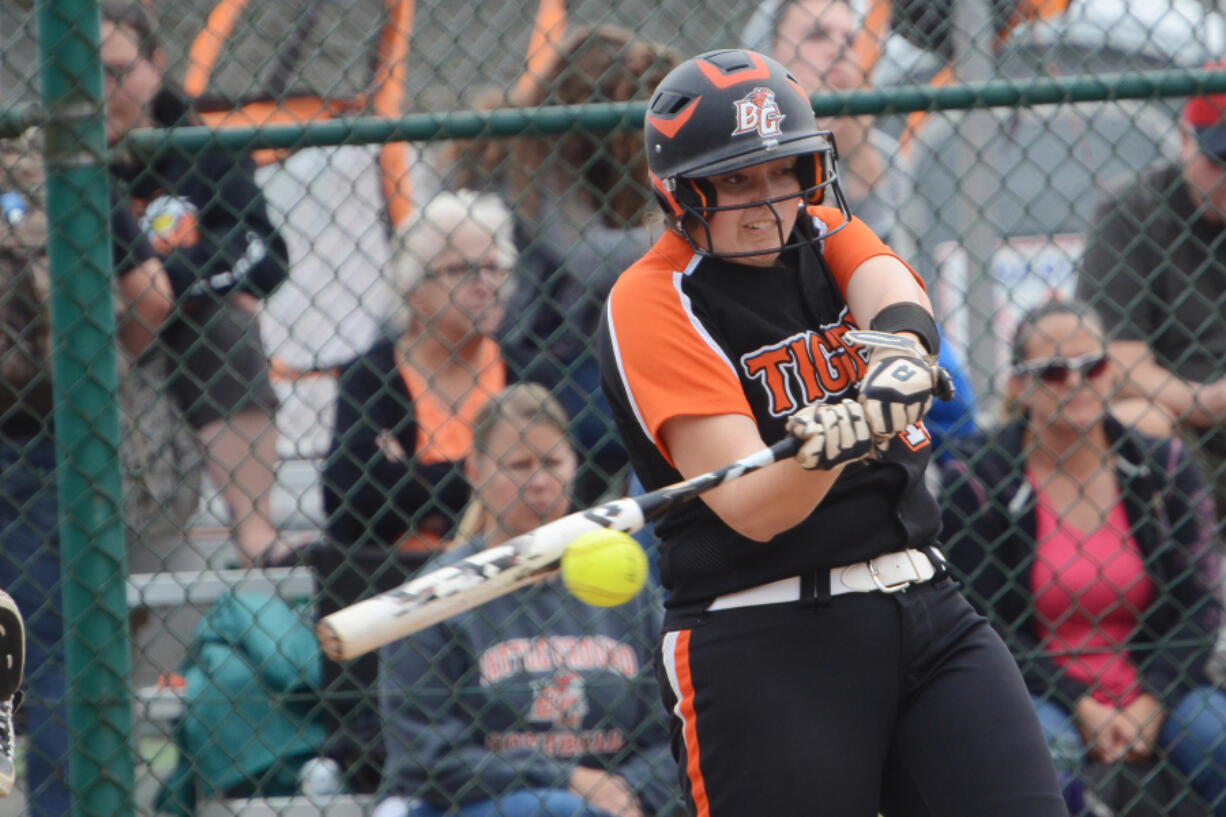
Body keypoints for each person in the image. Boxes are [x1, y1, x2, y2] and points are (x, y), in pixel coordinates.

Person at [597, 50, 1066, 816]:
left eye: (783, 170)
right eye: (736, 180)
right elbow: (756, 506)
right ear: (680, 193)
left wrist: (900, 370)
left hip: (926, 605)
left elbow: (895, 297)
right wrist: (835, 444)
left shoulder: (821, 229)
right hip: (764, 638)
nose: (768, 201)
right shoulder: (651, 300)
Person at [940, 298, 1226, 815]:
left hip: (1155, 685)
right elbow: (980, 621)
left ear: (1110, 372)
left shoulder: (1161, 467)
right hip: (1037, 689)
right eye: (1052, 371)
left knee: (1218, 736)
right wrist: (1079, 704)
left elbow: (1200, 604)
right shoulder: (978, 481)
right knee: (1046, 754)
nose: (1075, 383)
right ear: (1019, 387)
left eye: (1090, 365)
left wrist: (1152, 700)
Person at [377, 383, 681, 817]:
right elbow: (424, 759)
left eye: (552, 462)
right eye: (518, 466)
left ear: (574, 465)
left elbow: (671, 728)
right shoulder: (437, 595)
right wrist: (568, 781)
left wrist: (629, 792)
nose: (539, 482)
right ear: (475, 472)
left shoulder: (624, 588)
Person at [317, 190, 516, 791]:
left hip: (503, 581)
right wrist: (478, 479)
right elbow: (350, 504)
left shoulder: (526, 370)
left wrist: (413, 478)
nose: (486, 285)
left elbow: (556, 485)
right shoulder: (373, 377)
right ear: (415, 289)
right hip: (395, 585)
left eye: (495, 268)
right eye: (462, 271)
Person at [1, 126, 173, 816]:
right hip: (50, 433)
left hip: (43, 446)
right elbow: (151, 297)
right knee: (50, 656)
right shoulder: (57, 164)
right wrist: (95, 371)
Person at [101, 0, 291, 568]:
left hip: (183, 330)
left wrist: (161, 283)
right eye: (80, 76)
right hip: (86, 336)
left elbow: (262, 254)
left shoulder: (206, 148)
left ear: (155, 63)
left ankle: (255, 533)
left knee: (230, 325)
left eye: (116, 70)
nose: (101, 89)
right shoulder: (38, 161)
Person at [477, 25, 677, 506]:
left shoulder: (625, 168)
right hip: (535, 352)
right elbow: (590, 257)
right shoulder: (538, 157)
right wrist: (690, 225)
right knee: (622, 416)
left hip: (602, 346)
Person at [1078, 64, 1226, 544]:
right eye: (1218, 160)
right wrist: (1207, 401)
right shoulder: (1135, 209)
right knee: (1137, 420)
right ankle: (1177, 580)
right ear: (1186, 139)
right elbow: (1119, 366)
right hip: (1184, 419)